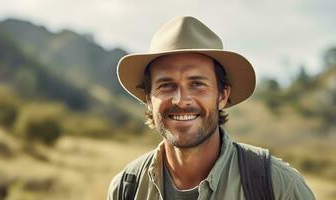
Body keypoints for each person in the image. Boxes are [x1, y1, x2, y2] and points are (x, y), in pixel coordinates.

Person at [108, 16, 315, 200]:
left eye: (197, 84)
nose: (181, 100)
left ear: (222, 95)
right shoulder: (126, 189)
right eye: (166, 85)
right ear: (149, 99)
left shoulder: (278, 186)